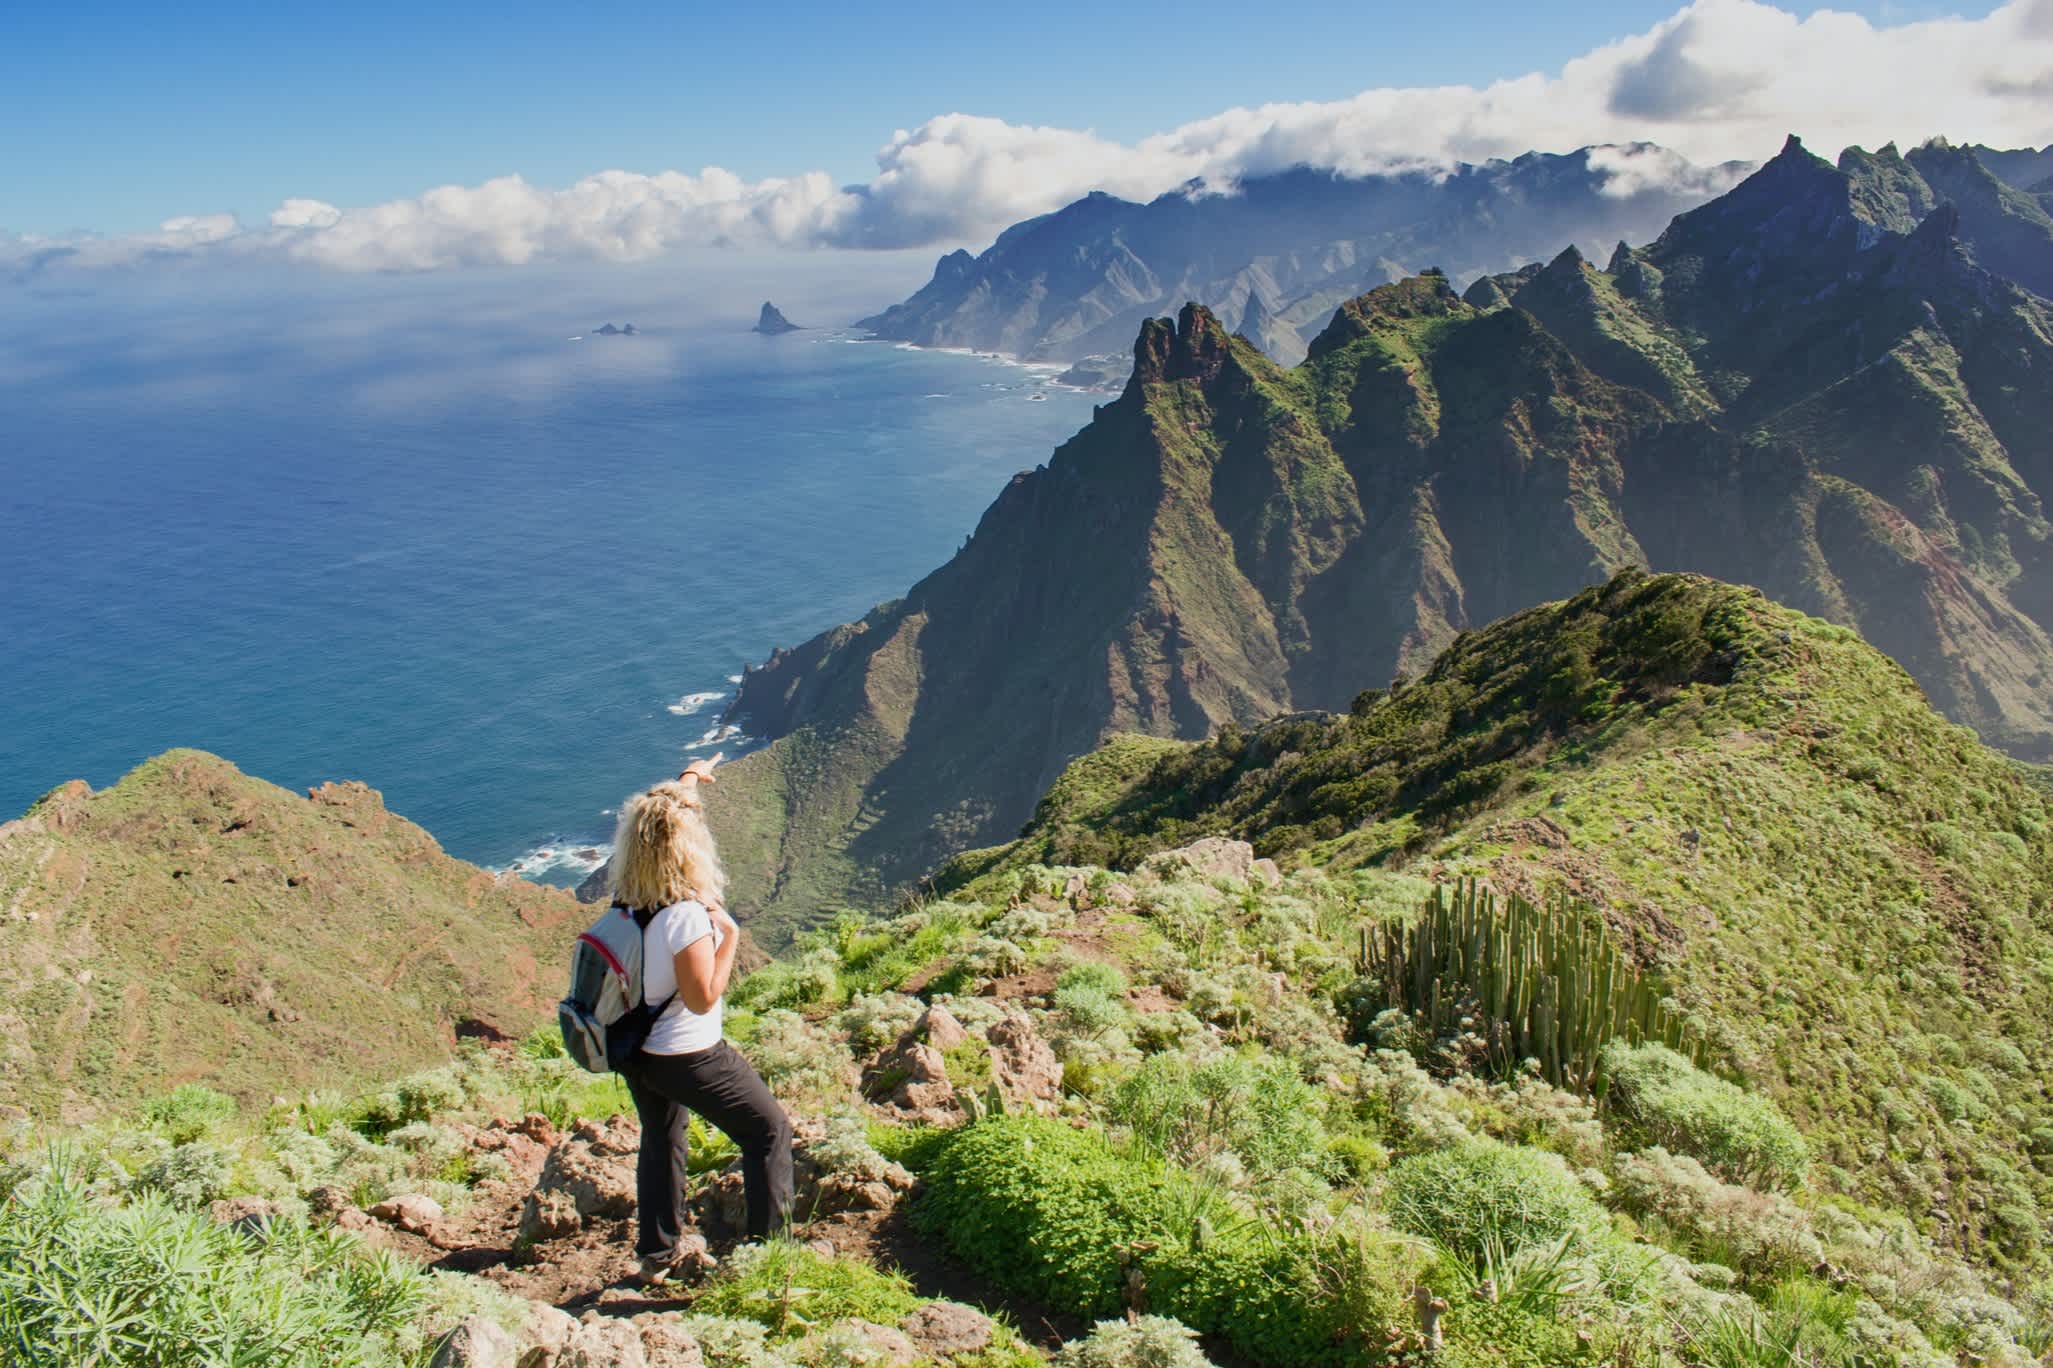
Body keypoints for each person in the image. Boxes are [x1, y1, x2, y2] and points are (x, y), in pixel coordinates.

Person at [605, 755, 792, 1284]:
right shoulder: (685, 916)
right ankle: (767, 1258)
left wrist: (689, 778)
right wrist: (728, 939)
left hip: (635, 1051)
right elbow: (704, 995)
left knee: (662, 1138)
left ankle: (657, 1253)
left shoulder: (628, 901)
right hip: (687, 1053)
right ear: (687, 850)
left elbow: (664, 814)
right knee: (767, 1131)